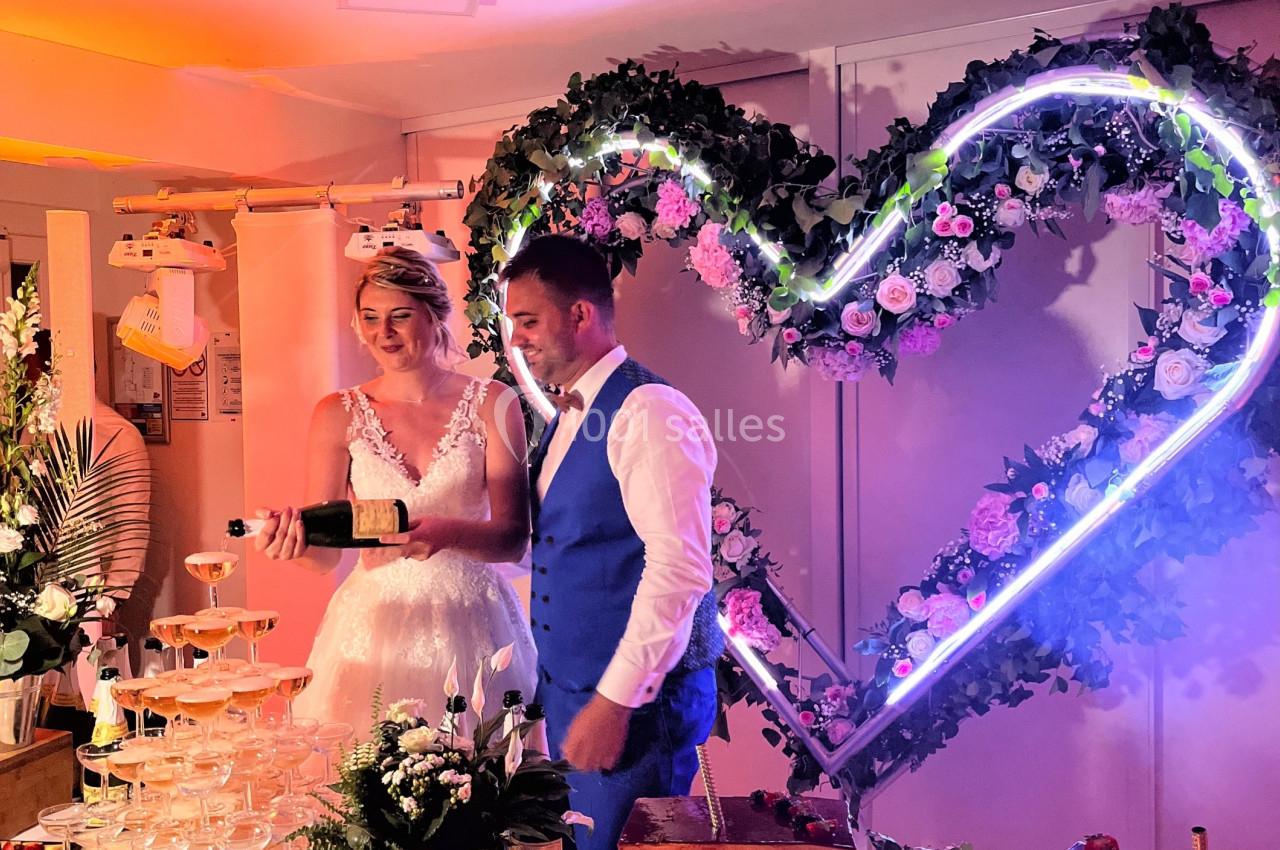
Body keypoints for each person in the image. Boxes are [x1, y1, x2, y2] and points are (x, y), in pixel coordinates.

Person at [256, 247, 536, 730]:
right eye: (369, 318)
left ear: (433, 316)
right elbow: (325, 556)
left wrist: (446, 534)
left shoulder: (494, 402)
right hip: (376, 623)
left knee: (486, 777)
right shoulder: (336, 413)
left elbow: (513, 538)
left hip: (474, 621)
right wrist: (290, 546)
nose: (382, 333)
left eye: (399, 316)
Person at [503, 234, 722, 850]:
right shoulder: (570, 412)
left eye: (528, 320)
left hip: (635, 708)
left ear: (579, 314)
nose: (516, 339)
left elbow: (679, 571)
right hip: (577, 691)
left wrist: (615, 703)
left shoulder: (650, 410)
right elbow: (564, 544)